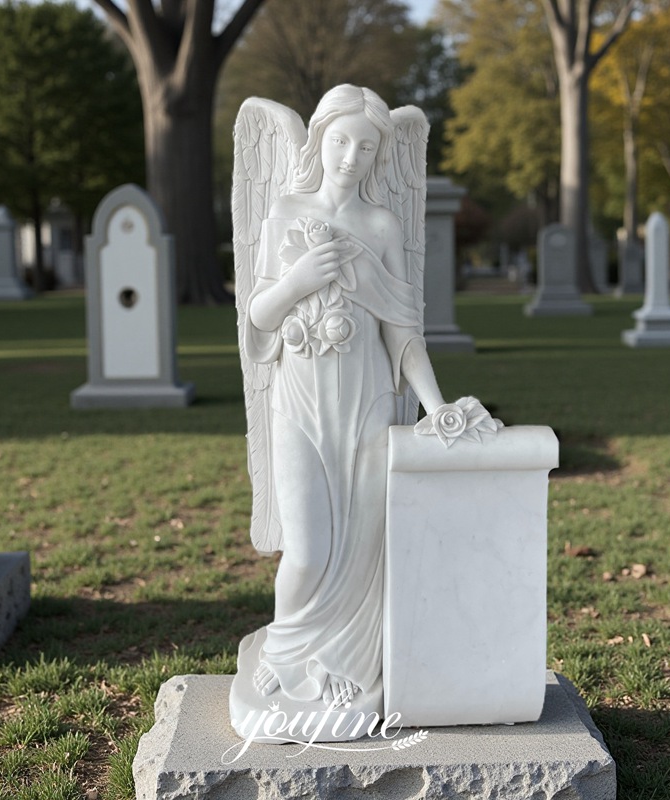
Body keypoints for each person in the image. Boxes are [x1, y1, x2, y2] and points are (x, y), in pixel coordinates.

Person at [242, 85, 444, 708]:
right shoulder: (284, 211)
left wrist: (437, 407)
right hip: (299, 400)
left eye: (366, 147)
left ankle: (339, 662)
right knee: (307, 552)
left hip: (367, 403)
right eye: (339, 141)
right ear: (318, 140)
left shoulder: (382, 226)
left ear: (380, 154)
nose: (351, 157)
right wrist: (298, 280)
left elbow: (403, 333)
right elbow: (258, 319)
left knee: (360, 547)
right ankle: (284, 651)